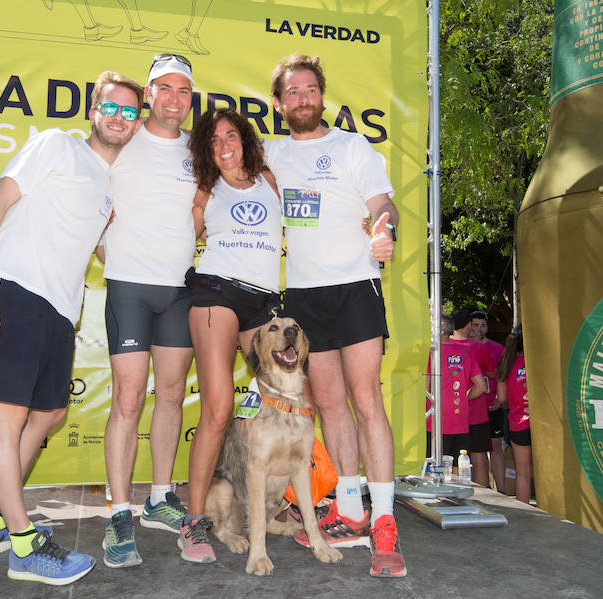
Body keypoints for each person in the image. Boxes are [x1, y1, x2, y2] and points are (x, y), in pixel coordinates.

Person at [0, 70, 144, 585]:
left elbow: (107, 250)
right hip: (15, 289)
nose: (119, 117)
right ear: (92, 111)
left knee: (51, 412)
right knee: (5, 421)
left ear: (136, 122)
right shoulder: (57, 144)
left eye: (129, 111)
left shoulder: (111, 185)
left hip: (59, 309)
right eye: (111, 107)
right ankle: (23, 545)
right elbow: (0, 198)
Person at [264, 53, 405, 577]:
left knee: (367, 400)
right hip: (302, 296)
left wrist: (383, 229)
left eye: (310, 89)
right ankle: (349, 509)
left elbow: (383, 204)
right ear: (279, 104)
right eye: (292, 92)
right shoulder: (271, 154)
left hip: (355, 287)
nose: (303, 98)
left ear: (322, 96)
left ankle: (385, 520)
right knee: (328, 402)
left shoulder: (350, 145)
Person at [99, 53, 197, 568]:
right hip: (131, 288)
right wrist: (105, 249)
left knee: (173, 394)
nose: (174, 99)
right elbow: (85, 198)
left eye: (184, 91)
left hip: (179, 290)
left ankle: (160, 496)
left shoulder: (197, 149)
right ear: (150, 94)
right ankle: (119, 511)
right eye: (165, 89)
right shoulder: (122, 137)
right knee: (129, 399)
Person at [178, 107, 283, 562]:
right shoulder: (207, 188)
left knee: (285, 402)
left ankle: (277, 505)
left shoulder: (269, 179)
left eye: (230, 136)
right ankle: (194, 523)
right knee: (219, 410)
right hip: (216, 292)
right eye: (214, 141)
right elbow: (180, 237)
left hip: (263, 302)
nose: (223, 146)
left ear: (244, 139)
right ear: (206, 149)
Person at [427, 312, 487, 469]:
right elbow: (482, 386)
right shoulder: (464, 352)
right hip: (460, 421)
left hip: (435, 423)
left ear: (437, 329)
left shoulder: (431, 353)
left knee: (434, 471)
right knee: (458, 471)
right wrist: (464, 397)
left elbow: (425, 388)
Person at [447, 309, 493, 487]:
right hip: (476, 411)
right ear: (468, 326)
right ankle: (484, 493)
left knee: (453, 458)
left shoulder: (444, 345)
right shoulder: (478, 347)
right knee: (478, 455)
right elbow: (491, 373)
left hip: (453, 412)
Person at [470, 310, 506, 490]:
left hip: (493, 404)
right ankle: (479, 489)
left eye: (482, 325)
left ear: (487, 327)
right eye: (475, 325)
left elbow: (502, 376)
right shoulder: (464, 346)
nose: (479, 329)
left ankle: (501, 489)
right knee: (475, 451)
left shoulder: (497, 348)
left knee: (495, 447)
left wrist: (500, 398)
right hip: (472, 406)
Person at [496, 325, 531, 503]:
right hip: (542, 424)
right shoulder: (539, 362)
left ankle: (525, 512)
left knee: (523, 473)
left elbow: (501, 398)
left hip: (518, 424)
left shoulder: (506, 366)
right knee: (545, 472)